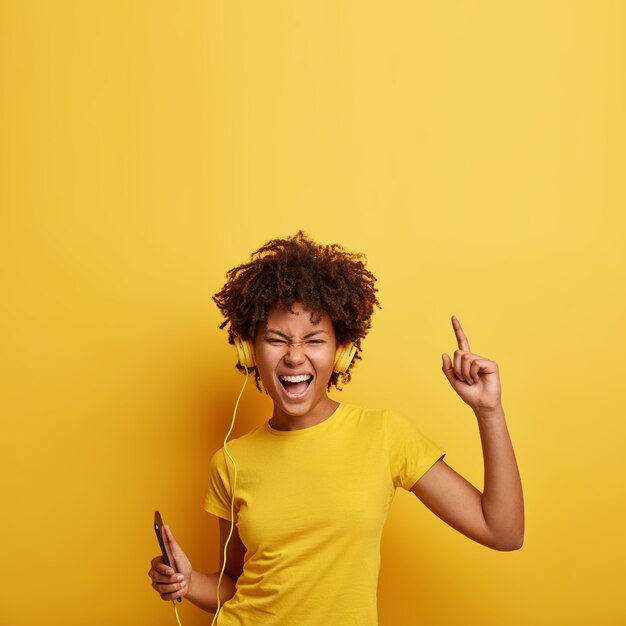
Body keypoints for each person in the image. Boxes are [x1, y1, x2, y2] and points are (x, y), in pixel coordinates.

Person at [148, 231, 524, 625]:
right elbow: (239, 585)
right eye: (276, 340)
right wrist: (189, 582)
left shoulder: (384, 435)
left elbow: (503, 532)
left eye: (314, 340)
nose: (295, 356)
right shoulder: (230, 460)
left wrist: (489, 411)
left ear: (341, 353)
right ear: (250, 351)